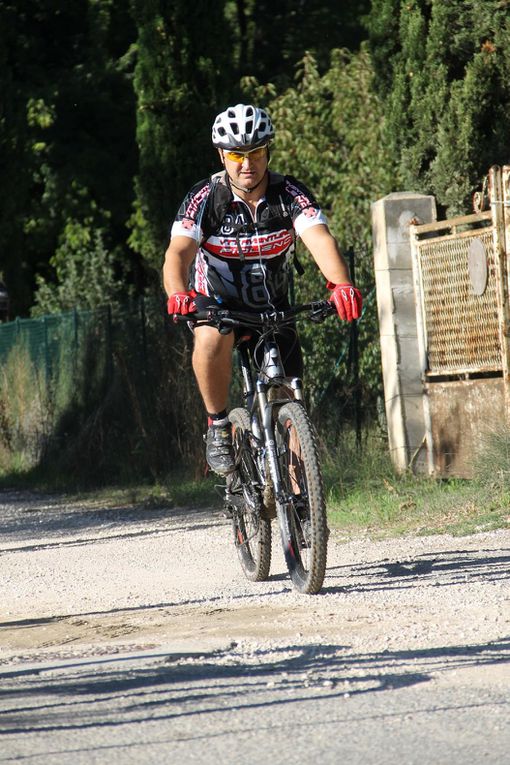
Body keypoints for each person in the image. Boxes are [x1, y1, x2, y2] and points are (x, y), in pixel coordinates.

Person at [163, 103, 362, 475]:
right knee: (210, 339)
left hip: (273, 305)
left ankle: (301, 509)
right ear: (222, 154)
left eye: (255, 152)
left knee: (292, 401)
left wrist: (341, 284)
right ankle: (219, 425)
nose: (246, 163)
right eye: (237, 154)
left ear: (267, 150)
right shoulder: (204, 198)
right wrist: (178, 292)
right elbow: (178, 253)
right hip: (218, 303)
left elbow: (320, 240)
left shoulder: (289, 193)